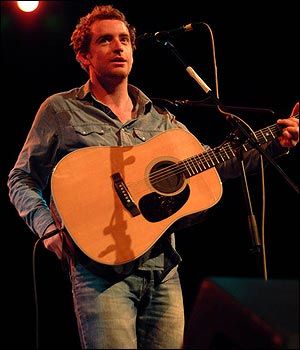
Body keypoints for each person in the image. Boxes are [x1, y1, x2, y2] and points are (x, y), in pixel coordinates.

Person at [7, 4, 299, 349]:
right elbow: (20, 178)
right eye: (105, 41)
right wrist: (47, 227)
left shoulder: (160, 118)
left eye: (124, 40)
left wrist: (277, 144)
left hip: (163, 269)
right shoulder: (60, 109)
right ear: (84, 56)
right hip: (100, 275)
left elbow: (216, 164)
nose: (118, 47)